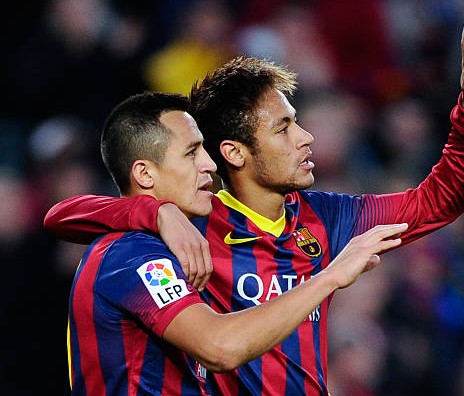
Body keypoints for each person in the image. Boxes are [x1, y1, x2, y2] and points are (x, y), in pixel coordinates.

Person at [45, 6, 464, 395]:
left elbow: (440, 200)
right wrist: (158, 211)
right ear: (235, 153)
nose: (306, 137)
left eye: (295, 121)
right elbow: (64, 217)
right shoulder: (195, 222)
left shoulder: (330, 218)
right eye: (283, 128)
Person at [59, 91, 407, 395]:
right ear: (145, 174)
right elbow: (219, 347)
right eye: (192, 153)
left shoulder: (168, 241)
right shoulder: (133, 256)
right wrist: (330, 277)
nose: (209, 164)